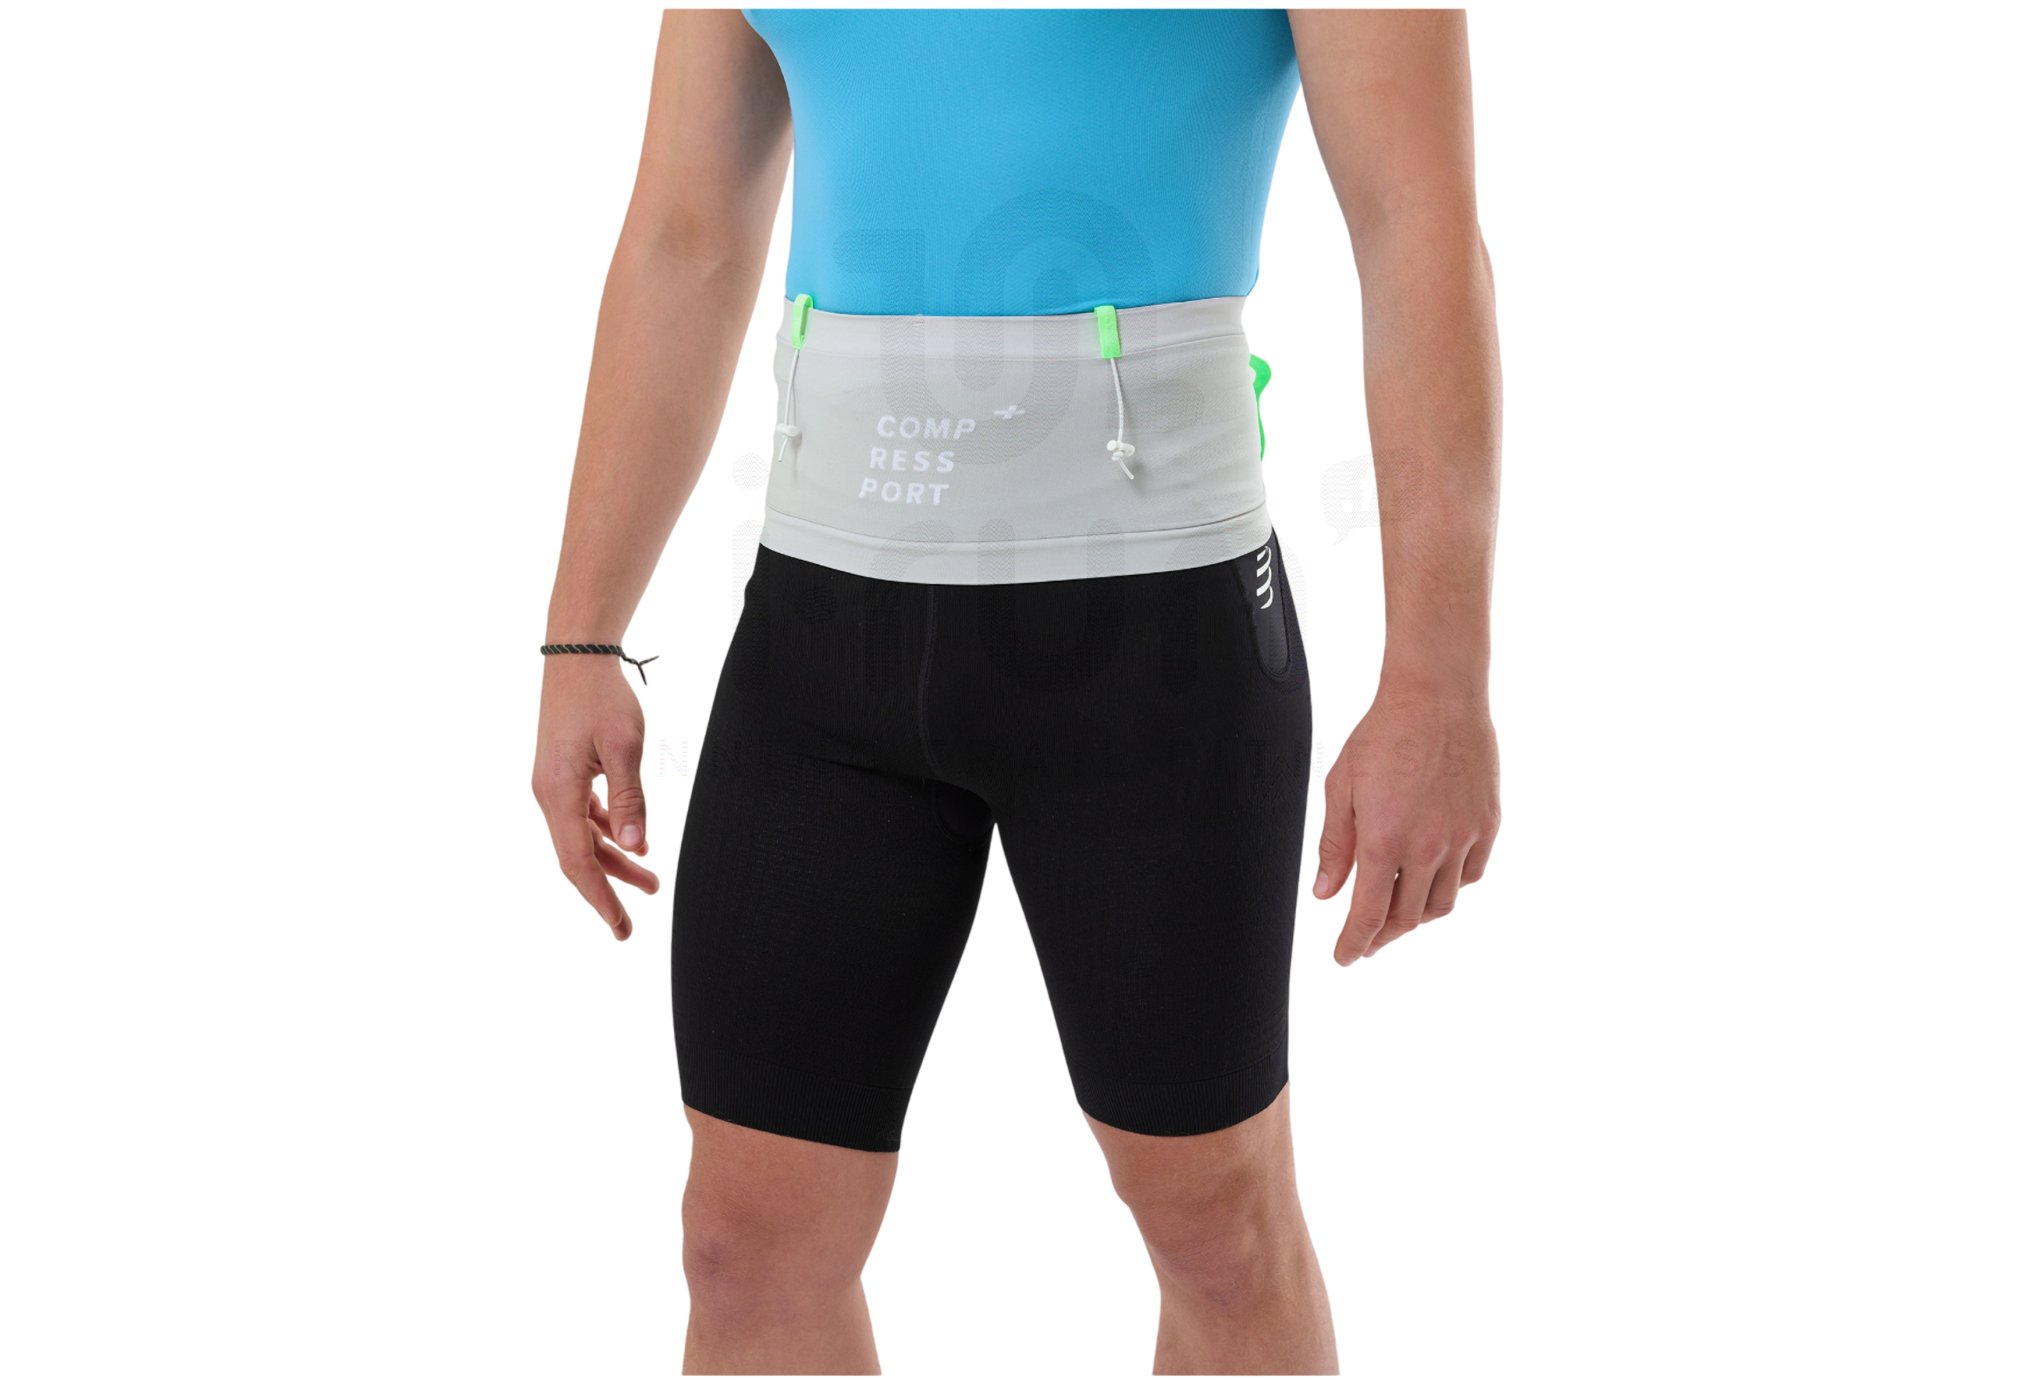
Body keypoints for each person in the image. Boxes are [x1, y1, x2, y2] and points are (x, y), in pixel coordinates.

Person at [531, 9, 1500, 1374]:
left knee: (1215, 1231)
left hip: (1152, 641)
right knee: (744, 1242)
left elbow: (1417, 232)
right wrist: (582, 639)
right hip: (822, 638)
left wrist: (1438, 683)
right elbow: (684, 236)